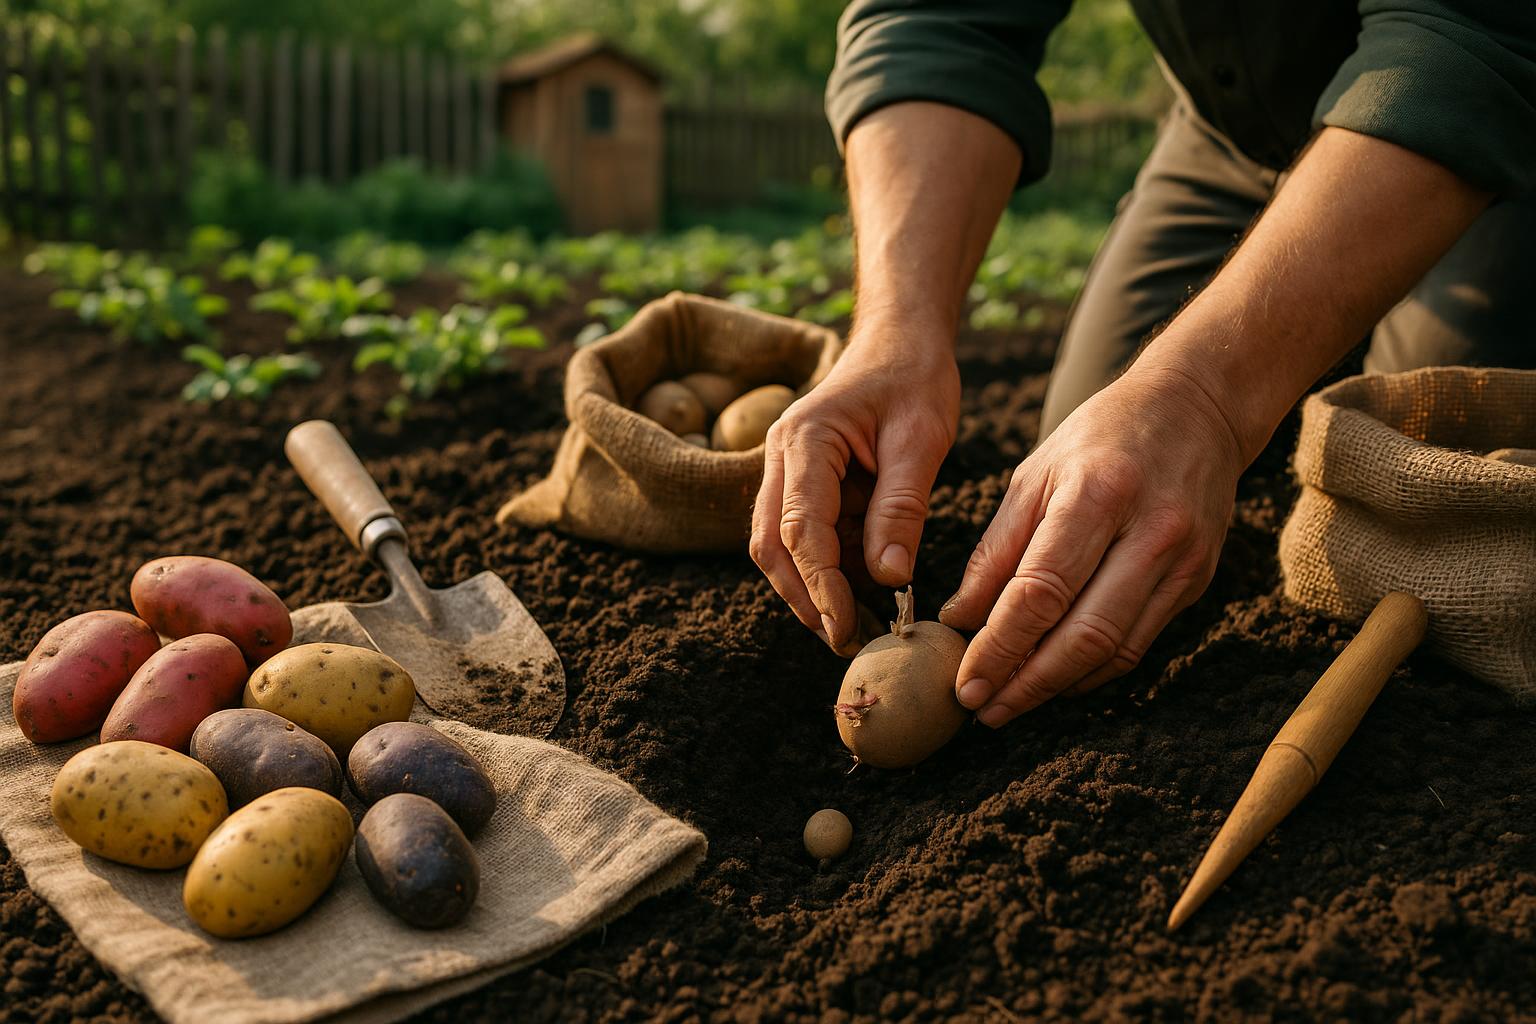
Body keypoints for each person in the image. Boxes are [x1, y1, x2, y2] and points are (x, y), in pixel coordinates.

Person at [749, 1, 1536, 728]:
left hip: (1485, 105)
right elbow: (938, 18)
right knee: (1085, 485)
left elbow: (1471, 35)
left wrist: (1204, 395)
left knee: (1431, 471)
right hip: (1232, 135)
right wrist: (897, 331)